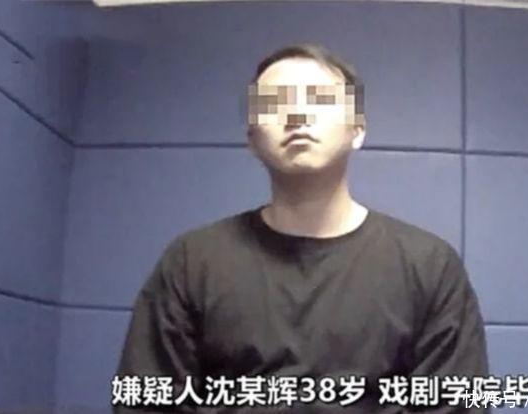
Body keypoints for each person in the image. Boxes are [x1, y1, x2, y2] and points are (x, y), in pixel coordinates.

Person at [113, 43, 490, 413]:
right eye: (273, 103)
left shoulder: (429, 265)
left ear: (358, 129)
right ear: (252, 140)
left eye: (319, 99)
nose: (296, 114)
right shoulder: (192, 262)